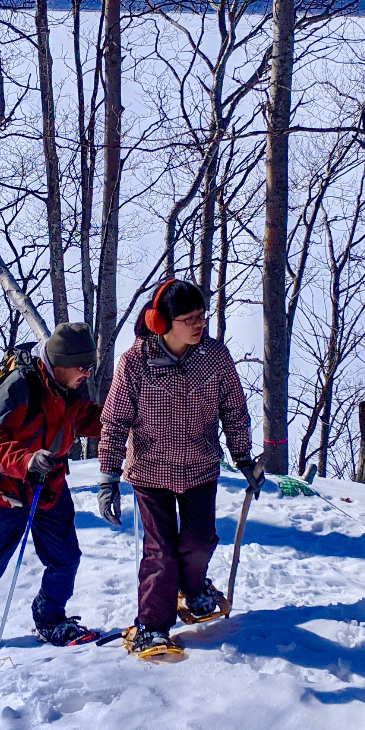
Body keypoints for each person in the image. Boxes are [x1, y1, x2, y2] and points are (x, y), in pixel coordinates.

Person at [97, 279, 262, 656]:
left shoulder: (215, 357)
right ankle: (152, 627)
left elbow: (234, 411)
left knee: (198, 543)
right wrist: (108, 478)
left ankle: (194, 588)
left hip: (200, 469)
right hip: (151, 473)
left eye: (202, 315)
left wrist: (244, 459)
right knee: (160, 552)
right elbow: (115, 421)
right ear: (161, 322)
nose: (199, 323)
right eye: (188, 318)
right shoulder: (135, 362)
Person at [0, 322, 104, 665]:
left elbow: (87, 419)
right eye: (82, 367)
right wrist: (26, 460)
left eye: (90, 367)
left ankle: (50, 618)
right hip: (6, 489)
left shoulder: (74, 387)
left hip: (51, 487)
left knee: (65, 559)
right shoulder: (20, 385)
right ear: (60, 362)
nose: (87, 373)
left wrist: (127, 425)